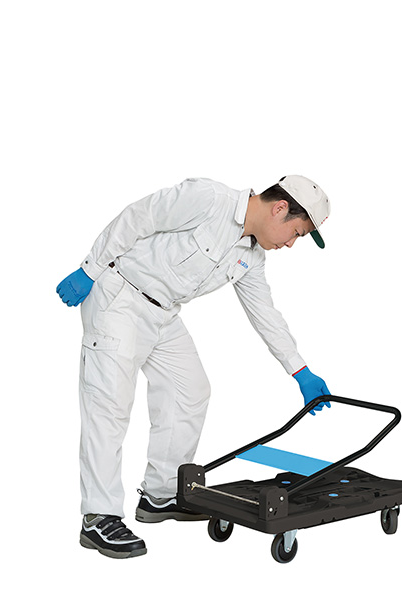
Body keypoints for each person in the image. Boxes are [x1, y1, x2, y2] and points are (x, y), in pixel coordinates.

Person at [56, 175, 332, 559]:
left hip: (163, 313)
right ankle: (98, 516)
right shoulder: (209, 198)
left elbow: (265, 314)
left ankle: (161, 495)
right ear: (280, 208)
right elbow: (138, 217)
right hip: (120, 298)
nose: (290, 244)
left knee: (190, 390)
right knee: (109, 405)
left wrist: (300, 371)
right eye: (296, 233)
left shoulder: (251, 256)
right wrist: (90, 269)